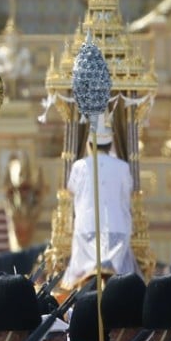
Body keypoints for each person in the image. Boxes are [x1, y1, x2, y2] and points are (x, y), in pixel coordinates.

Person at [65, 114, 136, 287]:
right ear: (111, 144)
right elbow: (127, 193)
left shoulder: (79, 166)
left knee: (82, 284)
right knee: (120, 283)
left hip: (86, 230)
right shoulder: (123, 167)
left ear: (89, 145)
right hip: (117, 229)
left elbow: (70, 189)